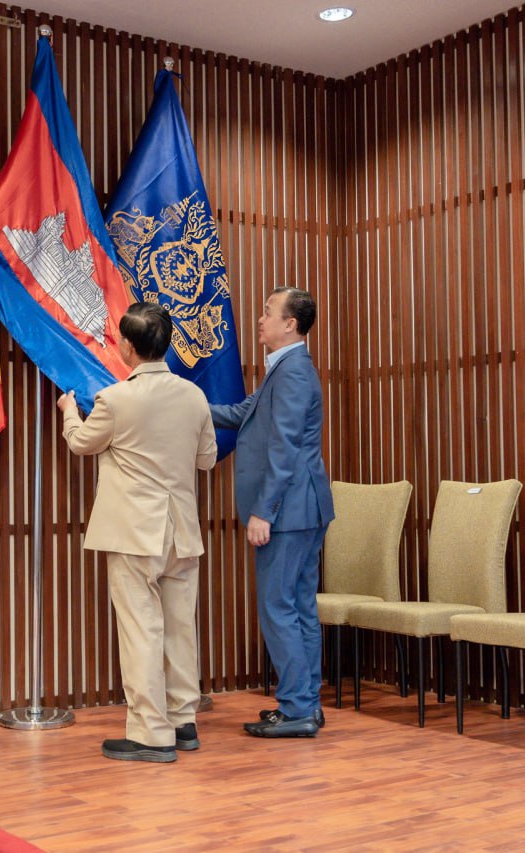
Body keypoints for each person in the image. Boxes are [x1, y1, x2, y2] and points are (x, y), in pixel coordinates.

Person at [58, 301, 218, 763]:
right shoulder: (194, 396)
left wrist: (68, 410)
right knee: (180, 629)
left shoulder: (115, 399)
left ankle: (151, 732)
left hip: (134, 532)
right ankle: (183, 720)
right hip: (181, 531)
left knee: (141, 630)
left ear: (128, 347)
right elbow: (207, 459)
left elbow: (81, 443)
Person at [210, 287, 334, 738]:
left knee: (278, 607)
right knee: (298, 608)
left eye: (267, 312)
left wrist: (265, 511)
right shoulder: (285, 368)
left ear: (290, 324)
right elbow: (244, 413)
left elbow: (284, 447)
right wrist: (184, 405)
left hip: (289, 512)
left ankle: (298, 707)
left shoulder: (294, 371)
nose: (260, 320)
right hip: (302, 510)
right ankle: (306, 704)